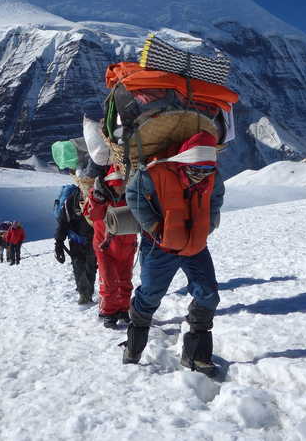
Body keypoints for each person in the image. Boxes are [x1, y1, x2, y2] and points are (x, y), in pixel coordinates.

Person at [122, 132, 225, 376]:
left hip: (195, 245)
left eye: (207, 171)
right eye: (196, 170)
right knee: (149, 296)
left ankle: (197, 357)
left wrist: (207, 226)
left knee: (208, 294)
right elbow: (133, 195)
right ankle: (134, 348)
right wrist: (154, 227)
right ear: (183, 161)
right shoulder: (154, 173)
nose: (202, 175)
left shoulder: (212, 176)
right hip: (159, 246)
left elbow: (216, 199)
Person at [83, 167, 137, 329]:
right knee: (109, 281)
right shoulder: (100, 198)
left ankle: (123, 309)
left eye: (123, 184)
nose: (120, 188)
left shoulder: (132, 197)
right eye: (117, 185)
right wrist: (96, 198)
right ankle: (108, 312)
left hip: (128, 246)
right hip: (105, 247)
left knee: (125, 280)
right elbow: (92, 214)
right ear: (109, 184)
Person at [53, 184, 97, 304]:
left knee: (90, 268)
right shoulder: (70, 202)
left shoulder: (96, 198)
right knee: (79, 267)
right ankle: (84, 294)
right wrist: (59, 243)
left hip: (92, 240)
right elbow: (63, 223)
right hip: (77, 240)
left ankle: (88, 294)